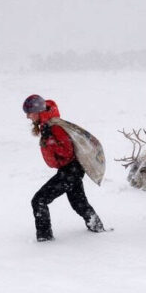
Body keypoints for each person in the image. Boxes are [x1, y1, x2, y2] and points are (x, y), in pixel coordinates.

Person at [23, 94, 106, 241]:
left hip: (71, 170)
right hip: (71, 170)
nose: (27, 116)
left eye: (29, 112)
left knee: (39, 200)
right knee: (79, 203)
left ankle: (45, 238)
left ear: (37, 111)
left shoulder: (54, 127)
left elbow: (67, 152)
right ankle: (96, 226)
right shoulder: (48, 125)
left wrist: (49, 141)